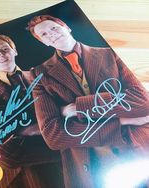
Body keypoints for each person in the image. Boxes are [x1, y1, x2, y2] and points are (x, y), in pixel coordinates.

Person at [27, 15, 149, 188]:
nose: (51, 34)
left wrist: (79, 107)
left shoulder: (110, 53)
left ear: (67, 27)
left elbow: (142, 101)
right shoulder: (38, 75)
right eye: (45, 34)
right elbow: (53, 136)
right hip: (91, 166)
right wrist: (122, 121)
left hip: (138, 148)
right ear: (43, 42)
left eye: (54, 28)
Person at [0, 34, 64, 188]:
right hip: (24, 178)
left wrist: (25, 132)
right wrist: (65, 149)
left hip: (70, 168)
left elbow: (69, 118)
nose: (0, 55)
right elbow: (4, 154)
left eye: (5, 49)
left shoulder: (40, 77)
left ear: (14, 51)